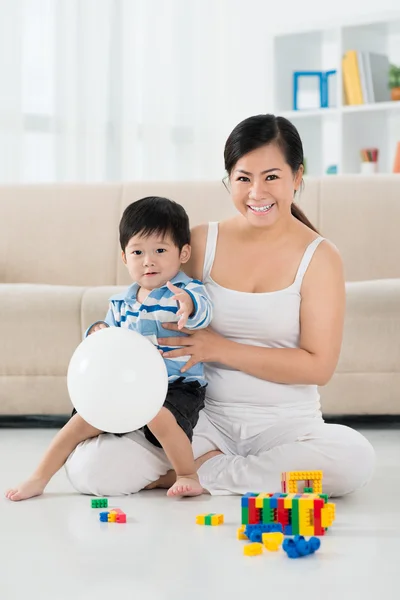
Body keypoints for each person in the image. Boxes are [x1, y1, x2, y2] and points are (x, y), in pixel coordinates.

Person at [46, 114, 377, 498]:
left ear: (297, 177)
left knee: (354, 460)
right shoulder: (201, 243)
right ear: (228, 181)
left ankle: (203, 474)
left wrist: (219, 349)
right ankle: (215, 470)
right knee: (91, 470)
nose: (256, 192)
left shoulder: (321, 257)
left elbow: (318, 367)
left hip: (286, 426)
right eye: (243, 178)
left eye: (271, 177)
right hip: (201, 421)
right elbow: (145, 306)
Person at [5, 197, 212, 501]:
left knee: (159, 418)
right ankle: (39, 477)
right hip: (127, 386)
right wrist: (97, 332)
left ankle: (186, 474)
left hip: (177, 384)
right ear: (124, 257)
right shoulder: (121, 303)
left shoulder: (186, 291)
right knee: (80, 422)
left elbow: (204, 311)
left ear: (183, 253)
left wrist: (189, 305)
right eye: (138, 252)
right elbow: (107, 344)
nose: (148, 261)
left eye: (160, 250)